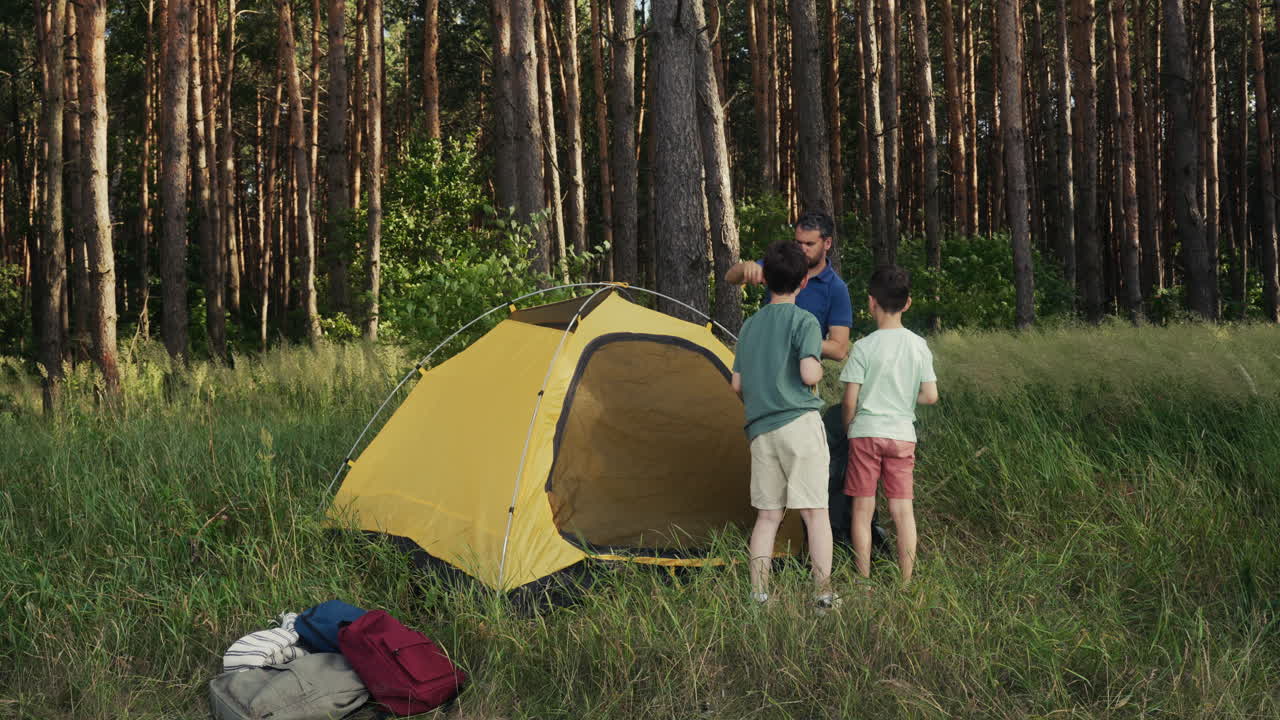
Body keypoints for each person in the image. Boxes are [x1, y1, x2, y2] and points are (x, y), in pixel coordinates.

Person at [731, 240, 836, 610]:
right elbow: (809, 372)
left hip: (761, 431)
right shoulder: (804, 321)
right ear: (803, 282)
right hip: (799, 426)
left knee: (768, 516)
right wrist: (820, 368)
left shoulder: (749, 327)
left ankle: (759, 596)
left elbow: (738, 385)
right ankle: (822, 596)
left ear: (766, 281)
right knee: (815, 513)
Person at [840, 265, 938, 586]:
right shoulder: (918, 345)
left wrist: (847, 427)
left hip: (865, 433)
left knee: (862, 510)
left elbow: (850, 401)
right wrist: (904, 400)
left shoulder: (864, 347)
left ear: (871, 303)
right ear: (908, 303)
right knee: (902, 511)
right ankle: (906, 582)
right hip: (901, 435)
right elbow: (930, 395)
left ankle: (863, 580)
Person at [724, 210, 852, 362]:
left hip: (801, 373)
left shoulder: (836, 288)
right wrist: (746, 267)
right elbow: (730, 278)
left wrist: (795, 339)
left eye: (809, 244)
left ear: (827, 243)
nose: (802, 249)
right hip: (762, 362)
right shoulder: (781, 264)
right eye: (798, 242)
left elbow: (839, 350)